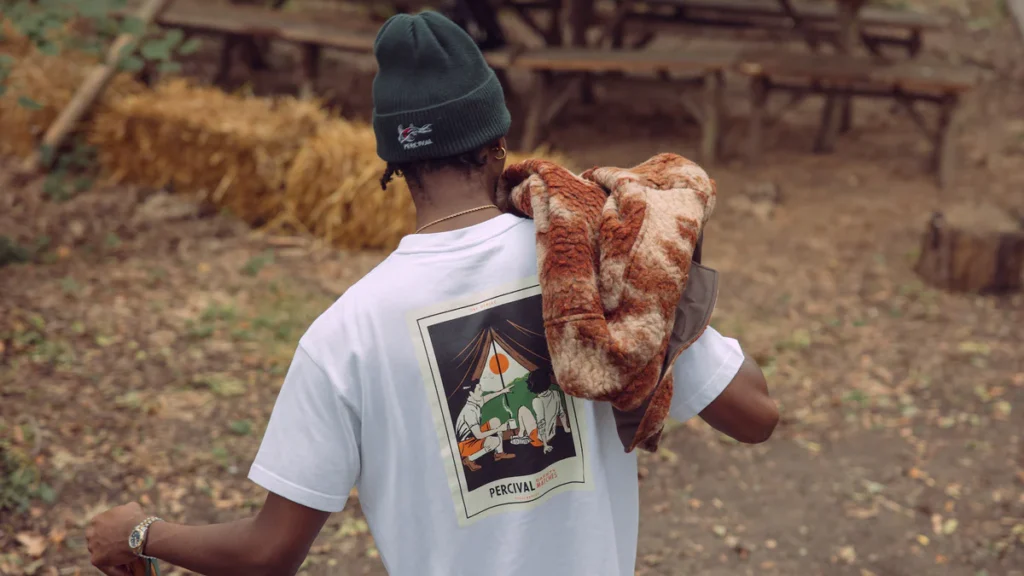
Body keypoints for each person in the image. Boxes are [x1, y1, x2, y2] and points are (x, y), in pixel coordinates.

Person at [86, 11, 779, 576]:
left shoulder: (344, 335)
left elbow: (268, 554)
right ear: (499, 141)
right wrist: (662, 268)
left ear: (392, 162)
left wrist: (143, 532)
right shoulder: (593, 261)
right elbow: (755, 415)